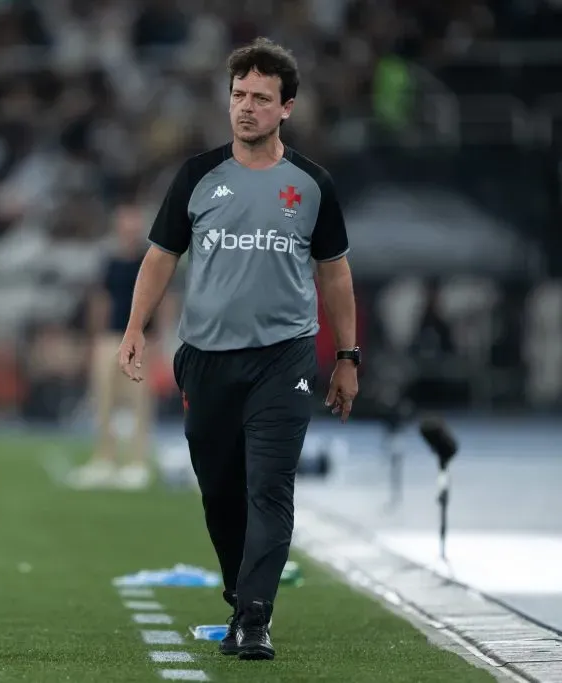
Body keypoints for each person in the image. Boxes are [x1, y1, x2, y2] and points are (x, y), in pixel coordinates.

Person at [117, 38, 359, 661]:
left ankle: (255, 618)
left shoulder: (311, 184)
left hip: (284, 359)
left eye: (260, 98)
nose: (246, 108)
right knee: (220, 489)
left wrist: (348, 358)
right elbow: (161, 256)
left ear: (287, 108)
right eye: (238, 96)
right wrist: (136, 326)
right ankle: (238, 592)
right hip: (207, 359)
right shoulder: (198, 177)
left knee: (269, 487)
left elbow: (334, 272)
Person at [69, 203, 176, 490]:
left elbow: (164, 299)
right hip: (110, 336)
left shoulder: (151, 260)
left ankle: (137, 462)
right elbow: (100, 300)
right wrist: (94, 338)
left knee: (139, 400)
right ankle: (104, 458)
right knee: (103, 397)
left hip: (142, 337)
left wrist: (163, 339)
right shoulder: (109, 261)